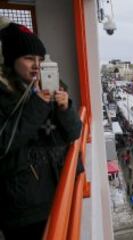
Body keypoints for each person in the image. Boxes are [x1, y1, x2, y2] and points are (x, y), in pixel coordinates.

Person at [0, 18, 82, 240]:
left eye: (39, 58)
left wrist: (66, 108)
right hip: (25, 209)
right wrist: (37, 104)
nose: (36, 65)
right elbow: (5, 142)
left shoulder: (54, 86)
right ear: (11, 60)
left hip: (61, 188)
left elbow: (75, 132)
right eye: (28, 58)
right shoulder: (4, 95)